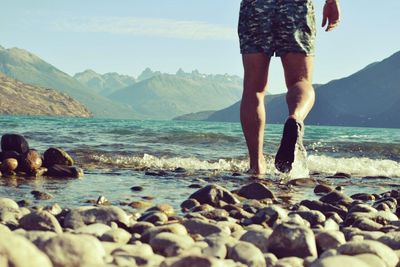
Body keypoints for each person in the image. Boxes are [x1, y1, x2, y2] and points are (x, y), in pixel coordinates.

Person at [238, 0, 341, 174]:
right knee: (300, 81)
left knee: (253, 89)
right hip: (296, 5)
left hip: (255, 6)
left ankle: (256, 166)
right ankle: (295, 118)